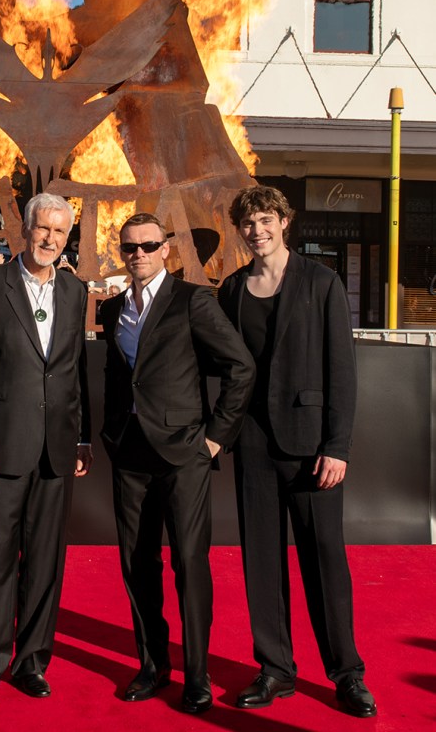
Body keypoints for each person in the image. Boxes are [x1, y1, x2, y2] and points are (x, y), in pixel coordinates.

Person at [218, 186, 377, 718]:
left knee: (325, 560)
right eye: (248, 223)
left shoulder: (321, 281)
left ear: (284, 222)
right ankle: (276, 669)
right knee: (261, 562)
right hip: (253, 444)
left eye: (266, 219)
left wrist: (337, 445)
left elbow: (342, 370)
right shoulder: (232, 288)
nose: (257, 230)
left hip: (311, 447)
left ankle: (347, 673)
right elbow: (226, 366)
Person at [99, 212, 254, 714]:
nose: (138, 254)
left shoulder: (193, 300)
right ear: (122, 252)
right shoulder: (113, 308)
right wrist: (110, 433)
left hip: (184, 453)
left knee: (189, 562)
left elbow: (240, 367)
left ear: (165, 248)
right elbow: (120, 377)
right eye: (130, 247)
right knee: (136, 563)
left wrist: (215, 438)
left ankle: (198, 674)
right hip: (130, 453)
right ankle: (153, 665)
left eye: (148, 245)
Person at [0, 192, 91, 706]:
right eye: (43, 228)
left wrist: (81, 436)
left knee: (45, 561)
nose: (49, 239)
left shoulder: (76, 291)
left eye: (59, 231)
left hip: (57, 449)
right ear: (25, 228)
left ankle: (32, 660)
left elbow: (75, 370)